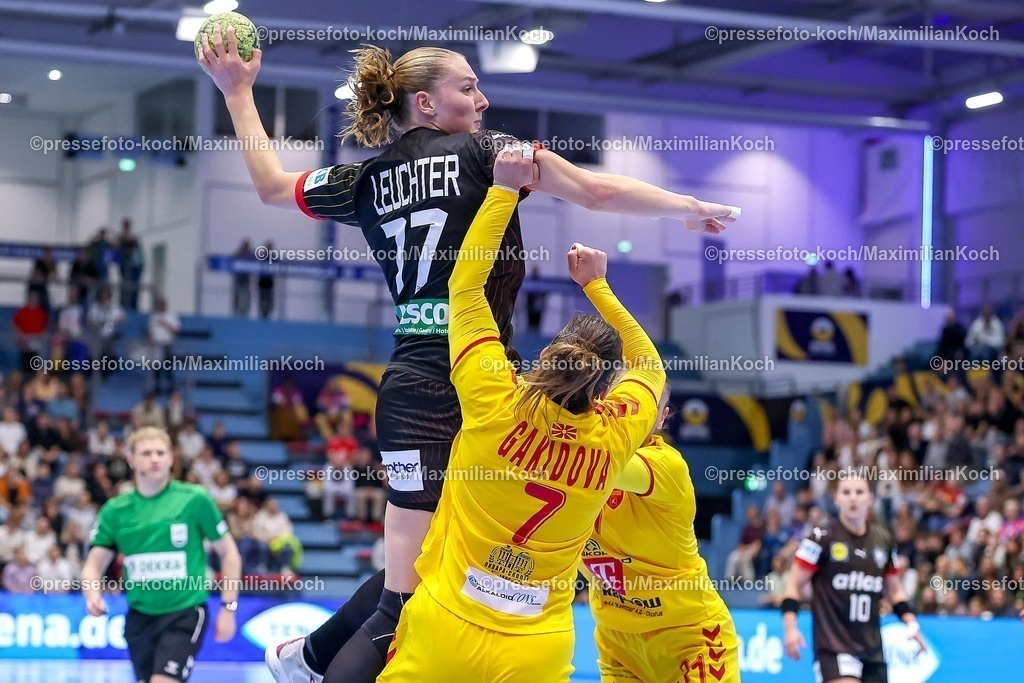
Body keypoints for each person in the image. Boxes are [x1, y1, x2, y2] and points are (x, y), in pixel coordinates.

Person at [198, 32, 735, 683]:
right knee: (414, 589)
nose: (483, 99)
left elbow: (271, 186)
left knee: (423, 572)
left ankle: (307, 656)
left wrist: (238, 92)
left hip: (410, 383)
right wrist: (687, 208)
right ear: (425, 102)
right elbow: (595, 193)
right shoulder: (490, 152)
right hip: (485, 383)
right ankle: (309, 662)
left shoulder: (366, 178)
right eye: (468, 87)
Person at [377, 151, 666, 682]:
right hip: (539, 644)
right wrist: (599, 288)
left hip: (447, 622)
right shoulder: (613, 438)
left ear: (549, 357)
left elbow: (463, 287)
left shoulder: (496, 399)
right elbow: (649, 366)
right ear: (603, 388)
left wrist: (503, 191)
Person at [582, 386, 740, 683]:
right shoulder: (573, 470)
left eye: (646, 405)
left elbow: (595, 463)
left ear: (661, 417)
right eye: (624, 398)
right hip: (618, 640)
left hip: (690, 638)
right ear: (603, 399)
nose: (633, 410)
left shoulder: (667, 466)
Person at [81, 427, 242, 683]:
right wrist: (92, 594)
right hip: (139, 618)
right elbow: (93, 564)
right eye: (146, 453)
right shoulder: (115, 510)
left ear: (171, 458)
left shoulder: (194, 499)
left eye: (160, 452)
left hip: (185, 611)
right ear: (131, 459)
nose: (154, 459)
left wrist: (228, 607)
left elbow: (229, 553)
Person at [782, 472, 926, 683]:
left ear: (870, 498)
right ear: (836, 499)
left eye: (859, 492)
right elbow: (793, 584)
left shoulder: (883, 539)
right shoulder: (821, 537)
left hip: (872, 648)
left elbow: (894, 590)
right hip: (834, 645)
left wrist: (912, 625)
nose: (852, 498)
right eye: (846, 492)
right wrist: (790, 629)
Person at [148, 297, 180, 395]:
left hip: (166, 345)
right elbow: (150, 330)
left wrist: (165, 324)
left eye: (162, 304)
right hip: (155, 345)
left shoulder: (171, 316)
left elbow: (176, 331)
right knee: (156, 369)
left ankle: (171, 389)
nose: (160, 306)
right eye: (159, 304)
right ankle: (156, 389)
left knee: (167, 368)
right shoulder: (154, 317)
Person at [118, 218, 145, 311]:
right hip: (127, 266)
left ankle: (133, 307)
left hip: (136, 266)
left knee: (134, 288)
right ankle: (126, 306)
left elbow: (133, 243)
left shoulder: (133, 237)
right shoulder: (121, 237)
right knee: (126, 287)